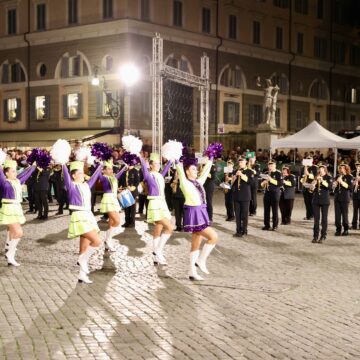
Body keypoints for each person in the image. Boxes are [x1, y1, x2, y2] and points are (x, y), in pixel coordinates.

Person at [176, 157, 218, 281]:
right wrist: (176, 160)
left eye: (196, 169)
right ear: (187, 171)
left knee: (196, 242)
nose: (195, 171)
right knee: (213, 237)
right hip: (193, 213)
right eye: (193, 169)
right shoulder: (184, 182)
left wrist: (210, 159)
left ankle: (191, 271)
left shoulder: (198, 182)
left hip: (201, 211)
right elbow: (180, 170)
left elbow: (205, 172)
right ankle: (201, 261)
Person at [62, 160, 103, 284]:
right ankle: (82, 259)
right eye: (79, 173)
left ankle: (82, 275)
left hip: (88, 216)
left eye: (82, 173)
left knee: (84, 248)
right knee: (97, 241)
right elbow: (65, 175)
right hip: (79, 216)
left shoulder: (86, 185)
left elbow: (95, 176)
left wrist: (100, 165)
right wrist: (63, 163)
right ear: (73, 175)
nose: (82, 175)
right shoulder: (71, 185)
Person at [0, 160, 36, 266]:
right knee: (19, 232)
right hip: (8, 208)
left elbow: (26, 173)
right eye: (13, 171)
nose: (15, 173)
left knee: (12, 231)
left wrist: (33, 166)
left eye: (15, 171)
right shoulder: (4, 182)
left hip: (17, 208)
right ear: (6, 173)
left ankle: (8, 247)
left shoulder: (17, 181)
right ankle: (10, 254)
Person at [140, 153, 173, 265]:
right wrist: (140, 157)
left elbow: (166, 168)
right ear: (150, 165)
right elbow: (144, 168)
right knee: (169, 227)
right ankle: (158, 251)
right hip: (155, 204)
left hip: (162, 203)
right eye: (156, 164)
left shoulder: (160, 175)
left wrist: (171, 159)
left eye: (159, 163)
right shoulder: (149, 175)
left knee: (159, 228)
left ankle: (155, 254)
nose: (158, 165)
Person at [98, 159, 127, 251]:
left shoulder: (113, 178)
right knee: (117, 221)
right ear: (104, 170)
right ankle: (108, 239)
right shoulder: (103, 177)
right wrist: (99, 165)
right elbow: (98, 173)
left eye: (111, 169)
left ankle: (107, 242)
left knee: (111, 221)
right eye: (109, 169)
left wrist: (124, 167)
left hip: (113, 199)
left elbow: (118, 175)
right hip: (108, 199)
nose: (111, 170)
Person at [231, 157, 253, 237]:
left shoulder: (249, 171)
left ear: (246, 162)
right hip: (236, 195)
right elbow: (232, 183)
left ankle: (244, 230)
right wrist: (234, 178)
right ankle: (238, 230)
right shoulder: (235, 171)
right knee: (237, 215)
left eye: (242, 162)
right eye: (239, 162)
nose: (240, 163)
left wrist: (242, 175)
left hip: (245, 196)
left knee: (244, 215)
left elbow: (251, 182)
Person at [311, 164, 332, 243]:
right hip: (316, 200)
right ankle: (315, 236)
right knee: (316, 219)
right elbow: (312, 189)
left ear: (325, 170)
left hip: (324, 200)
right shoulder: (316, 177)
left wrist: (322, 180)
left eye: (322, 169)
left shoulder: (328, 177)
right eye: (319, 169)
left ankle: (323, 236)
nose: (320, 170)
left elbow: (330, 188)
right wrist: (313, 185)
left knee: (324, 219)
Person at [261, 161, 283, 231]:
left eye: (272, 165)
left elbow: (280, 184)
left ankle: (275, 226)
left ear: (275, 166)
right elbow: (261, 184)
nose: (270, 167)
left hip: (275, 193)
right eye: (269, 166)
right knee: (266, 210)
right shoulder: (266, 173)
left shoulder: (278, 173)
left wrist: (271, 180)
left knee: (275, 210)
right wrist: (263, 182)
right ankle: (266, 225)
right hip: (267, 193)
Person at [333, 163, 353, 236]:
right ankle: (338, 229)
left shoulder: (349, 177)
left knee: (345, 215)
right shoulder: (337, 176)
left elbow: (350, 187)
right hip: (337, 198)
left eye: (341, 168)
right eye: (339, 168)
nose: (340, 169)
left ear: (345, 169)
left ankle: (346, 229)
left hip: (345, 198)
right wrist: (334, 184)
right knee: (337, 215)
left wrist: (341, 182)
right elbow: (333, 187)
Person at [119, 163, 139, 228]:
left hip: (132, 191)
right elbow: (121, 180)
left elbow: (137, 181)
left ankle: (132, 223)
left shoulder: (135, 171)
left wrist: (133, 187)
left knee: (132, 208)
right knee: (126, 208)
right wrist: (120, 187)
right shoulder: (124, 171)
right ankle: (127, 222)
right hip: (125, 191)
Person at [351, 161, 360, 230]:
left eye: (359, 165)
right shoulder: (353, 173)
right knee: (355, 210)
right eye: (356, 165)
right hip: (355, 194)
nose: (358, 167)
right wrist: (353, 183)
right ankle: (354, 224)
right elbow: (350, 182)